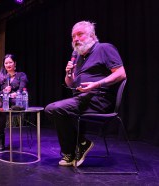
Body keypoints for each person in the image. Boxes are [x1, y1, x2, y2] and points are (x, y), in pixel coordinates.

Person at [45, 21, 127, 167]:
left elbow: (121, 73)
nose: (76, 39)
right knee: (52, 109)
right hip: (82, 98)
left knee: (56, 108)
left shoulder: (104, 48)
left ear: (92, 35)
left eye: (80, 34)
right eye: (73, 36)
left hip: (99, 99)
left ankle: (74, 148)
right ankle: (79, 144)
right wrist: (68, 73)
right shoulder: (79, 57)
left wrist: (97, 84)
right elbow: (71, 84)